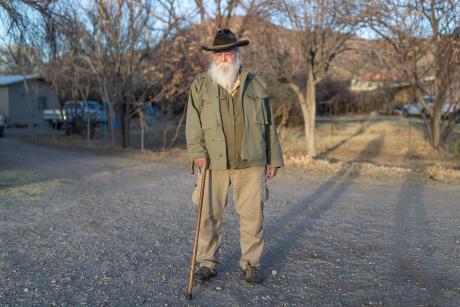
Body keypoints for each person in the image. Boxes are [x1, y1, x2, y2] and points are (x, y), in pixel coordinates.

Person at [185, 28, 284, 284]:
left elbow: (268, 124)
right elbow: (193, 123)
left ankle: (250, 263)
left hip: (250, 163)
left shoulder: (256, 84)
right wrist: (197, 153)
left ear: (237, 54)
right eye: (219, 55)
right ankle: (207, 263)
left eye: (228, 53)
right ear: (213, 58)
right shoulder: (201, 85)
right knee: (207, 214)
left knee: (253, 215)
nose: (223, 58)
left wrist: (273, 158)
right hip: (213, 164)